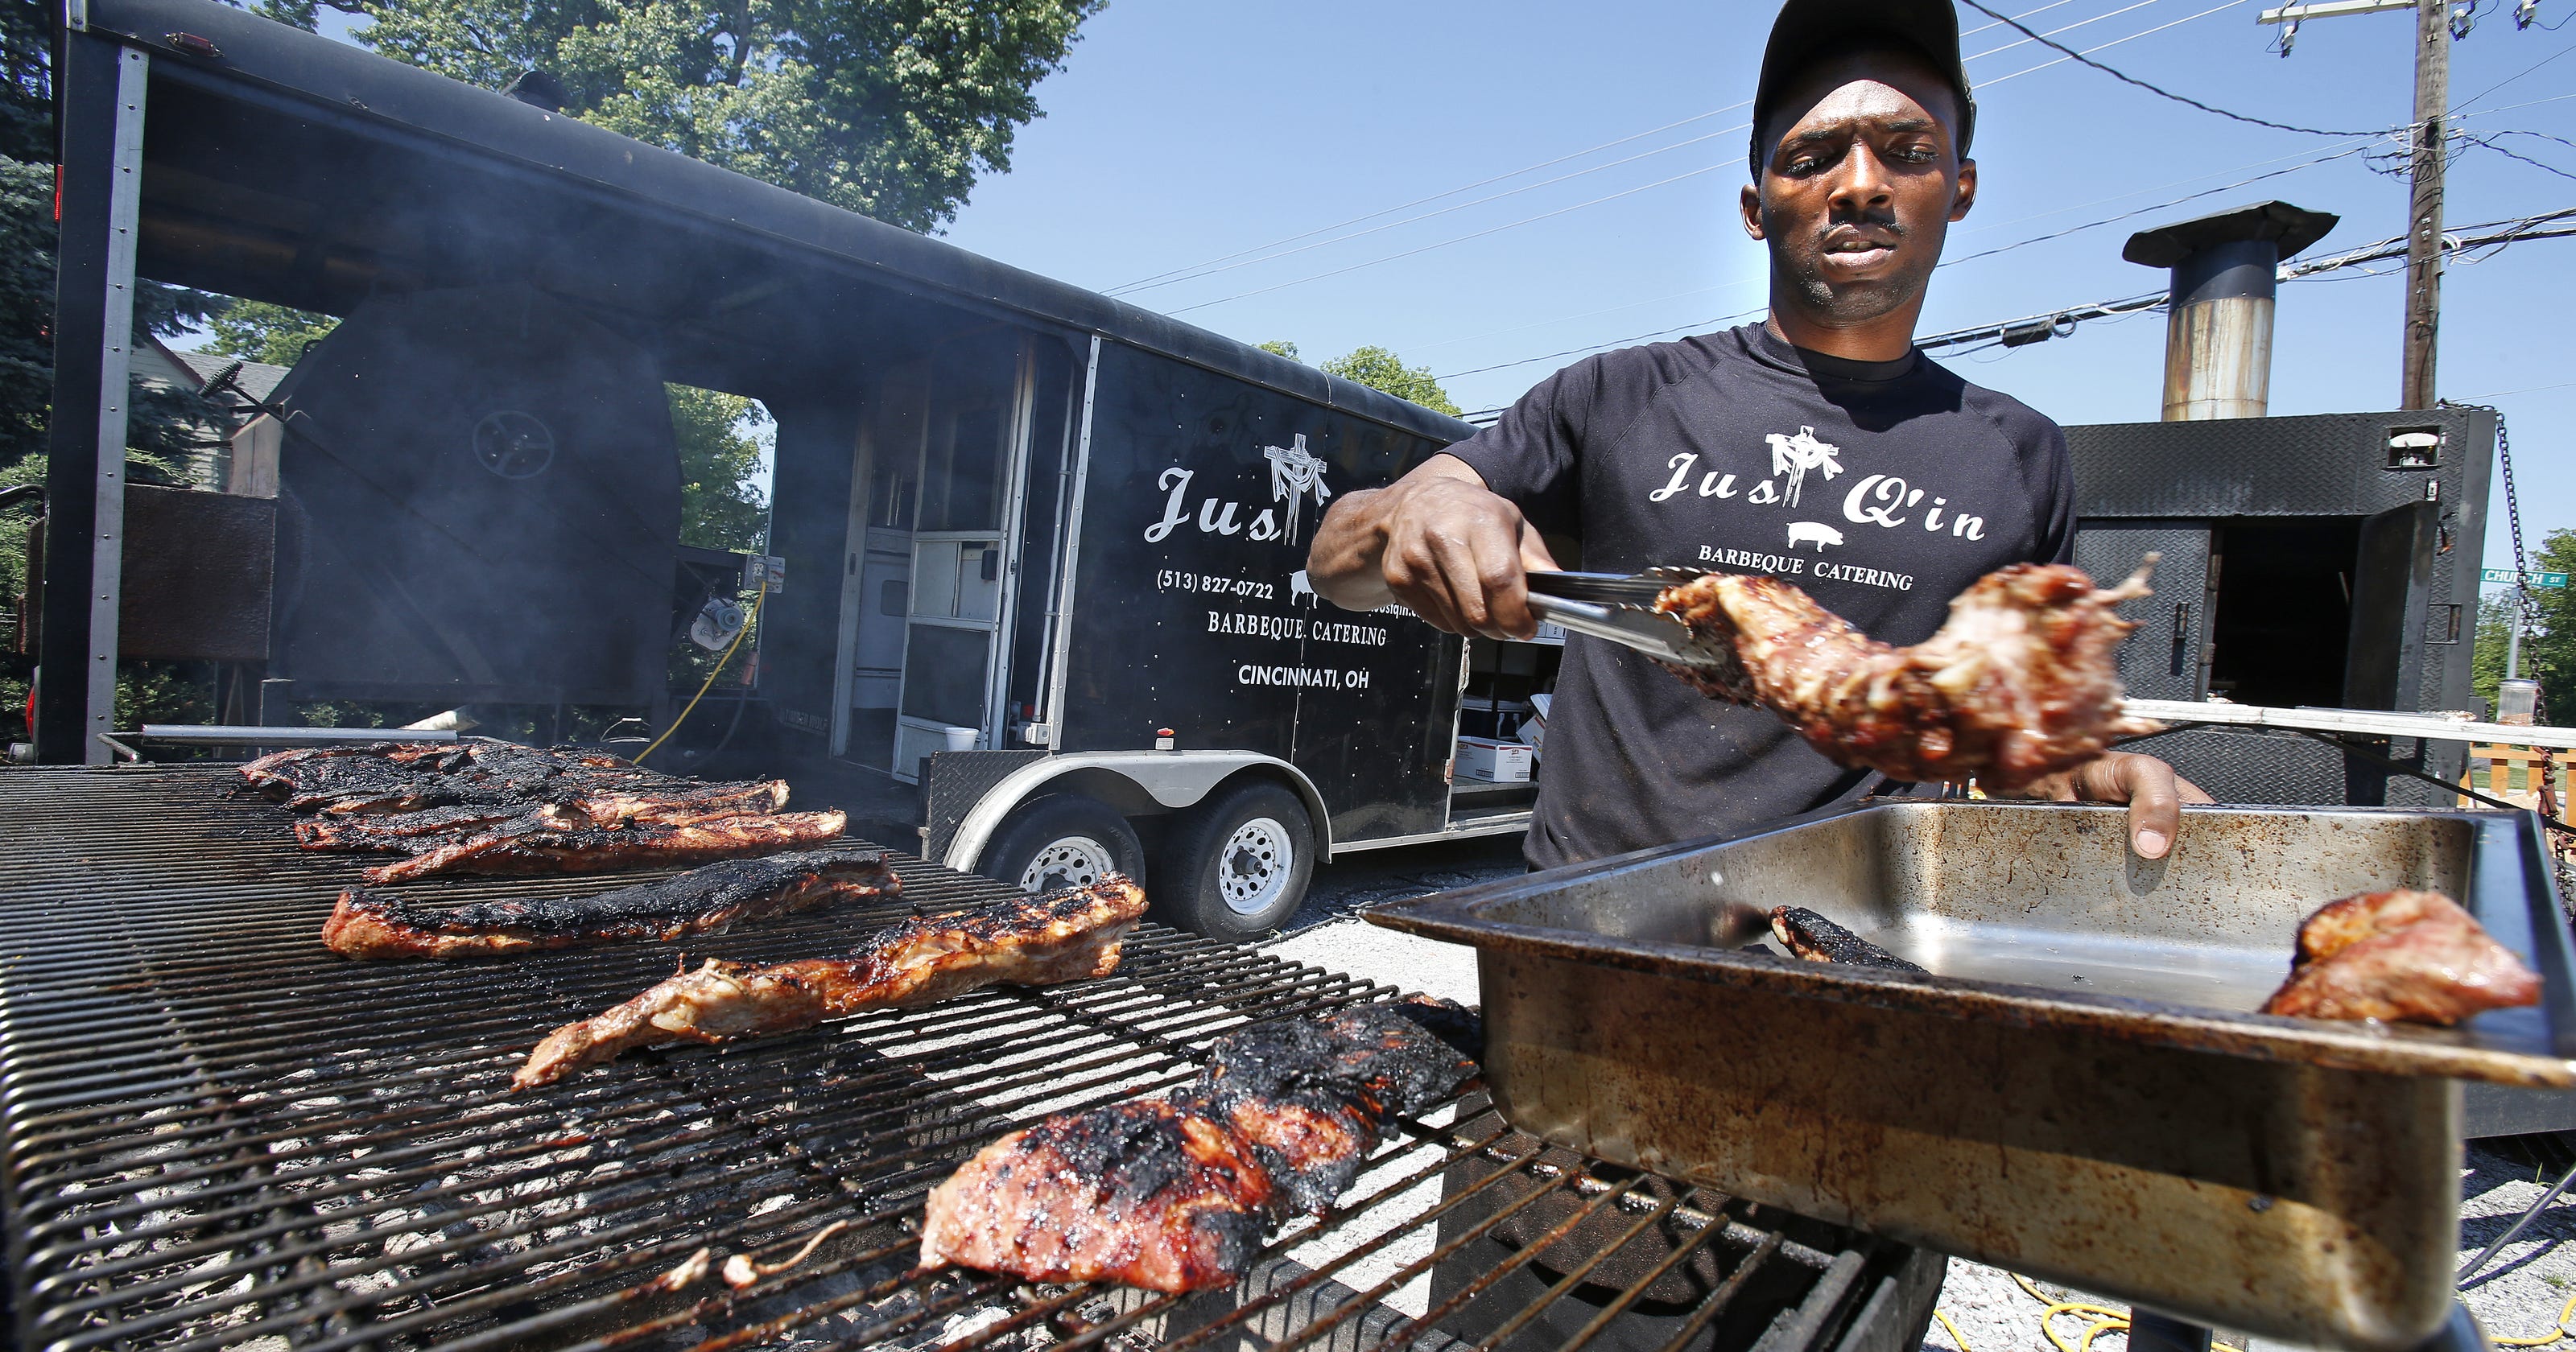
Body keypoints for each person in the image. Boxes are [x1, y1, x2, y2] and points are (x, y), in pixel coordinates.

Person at [1307, 0, 2208, 870]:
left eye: (1907, 151)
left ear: (1959, 188)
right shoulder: (1621, 395)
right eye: (1813, 156)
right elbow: (1333, 566)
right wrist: (1418, 502)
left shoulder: (2019, 454)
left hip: (1856, 933)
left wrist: (2081, 768)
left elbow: (2014, 740)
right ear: (1754, 206)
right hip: (1588, 917)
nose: (1858, 184)